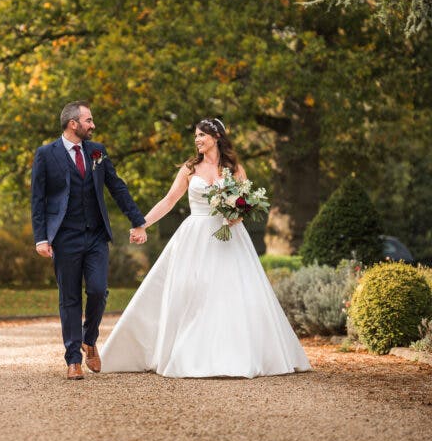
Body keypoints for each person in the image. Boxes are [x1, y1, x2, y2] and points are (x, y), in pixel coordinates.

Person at [101, 118, 311, 378]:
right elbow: (168, 201)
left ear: (217, 137)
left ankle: (234, 355)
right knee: (193, 291)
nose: (198, 140)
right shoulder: (190, 169)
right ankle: (189, 354)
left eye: (202, 135)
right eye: (196, 136)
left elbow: (243, 202)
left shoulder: (234, 168)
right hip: (195, 236)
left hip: (230, 237)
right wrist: (142, 224)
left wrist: (238, 215)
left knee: (230, 293)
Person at [31, 100, 148, 380]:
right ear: (73, 124)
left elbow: (117, 187)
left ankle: (89, 337)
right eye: (89, 121)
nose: (93, 125)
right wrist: (41, 238)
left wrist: (138, 220)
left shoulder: (97, 152)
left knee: (98, 290)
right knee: (69, 297)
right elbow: (37, 199)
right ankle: (73, 359)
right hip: (64, 236)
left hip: (95, 235)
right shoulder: (46, 155)